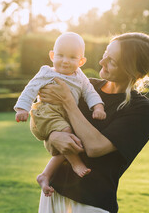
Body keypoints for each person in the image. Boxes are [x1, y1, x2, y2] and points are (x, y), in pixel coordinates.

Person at [37, 32, 149, 213]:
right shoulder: (85, 86)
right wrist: (54, 135)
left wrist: (68, 103)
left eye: (112, 61)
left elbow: (95, 147)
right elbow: (43, 116)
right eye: (105, 54)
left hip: (90, 205)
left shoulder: (140, 109)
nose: (101, 62)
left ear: (134, 72)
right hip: (52, 194)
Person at [14, 32, 107, 196]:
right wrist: (22, 108)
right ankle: (76, 163)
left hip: (63, 117)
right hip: (46, 113)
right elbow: (31, 89)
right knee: (67, 135)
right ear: (52, 55)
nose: (65, 60)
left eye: (72, 57)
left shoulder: (81, 77)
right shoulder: (46, 72)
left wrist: (98, 107)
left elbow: (90, 92)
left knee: (68, 142)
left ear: (81, 61)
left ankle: (45, 175)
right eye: (60, 55)